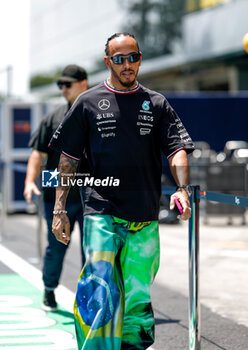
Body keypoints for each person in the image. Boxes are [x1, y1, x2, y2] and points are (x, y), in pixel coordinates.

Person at [50, 33, 194, 349]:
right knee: (99, 287)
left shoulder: (157, 103)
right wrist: (60, 209)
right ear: (108, 62)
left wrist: (182, 188)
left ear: (140, 58)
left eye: (133, 57)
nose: (127, 64)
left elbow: (176, 149)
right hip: (101, 211)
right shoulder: (87, 102)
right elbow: (68, 158)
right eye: (119, 58)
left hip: (144, 215)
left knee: (137, 296)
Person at [24, 64, 88, 312]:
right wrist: (30, 181)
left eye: (67, 84)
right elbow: (37, 155)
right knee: (56, 249)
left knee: (92, 251)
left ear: (83, 83)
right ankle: (49, 289)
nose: (63, 88)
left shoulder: (99, 114)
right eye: (60, 84)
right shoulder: (53, 118)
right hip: (55, 196)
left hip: (90, 195)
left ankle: (88, 300)